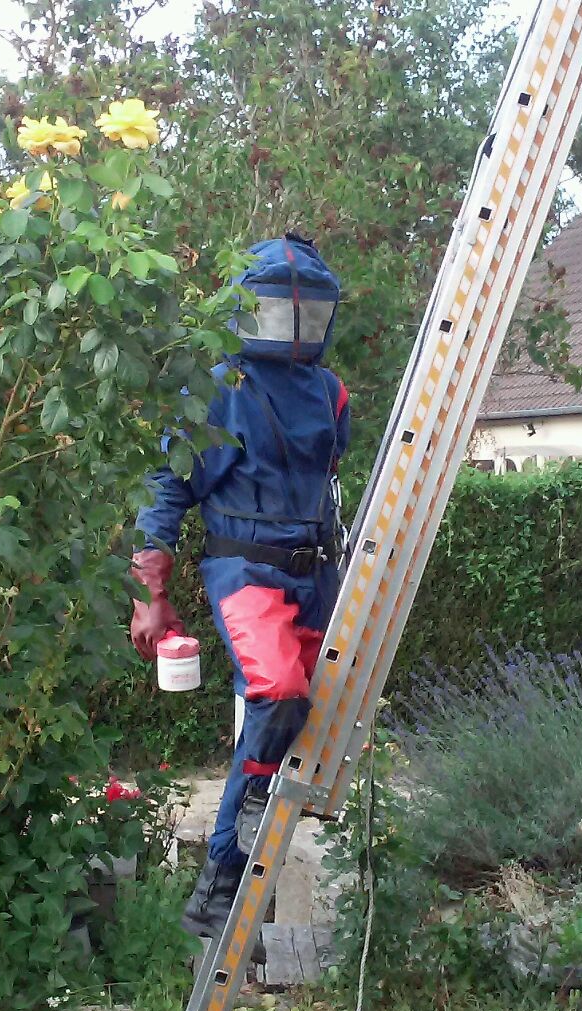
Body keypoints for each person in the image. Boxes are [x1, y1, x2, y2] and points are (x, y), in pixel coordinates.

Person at [130, 233, 349, 955]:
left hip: (317, 573)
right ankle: (233, 856)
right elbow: (169, 490)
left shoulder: (328, 392)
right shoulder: (220, 387)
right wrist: (149, 595)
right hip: (246, 572)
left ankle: (223, 891)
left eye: (302, 310)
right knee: (278, 692)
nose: (291, 322)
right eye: (279, 308)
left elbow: (331, 484)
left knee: (292, 729)